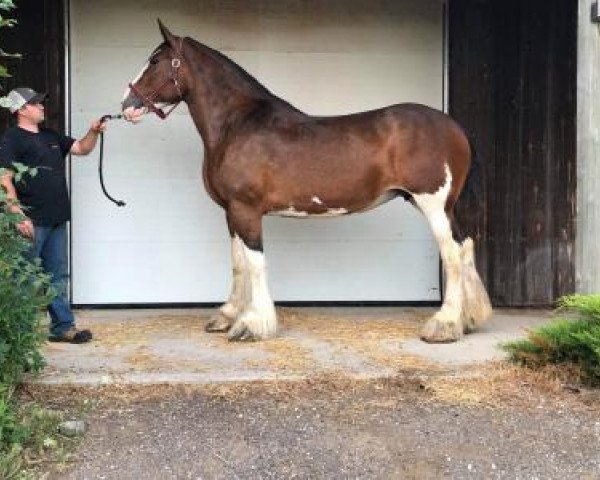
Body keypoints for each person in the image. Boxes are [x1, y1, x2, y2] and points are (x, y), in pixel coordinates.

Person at [0, 87, 107, 343]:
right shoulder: (12, 139)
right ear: (21, 109)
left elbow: (82, 148)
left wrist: (94, 131)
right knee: (25, 278)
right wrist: (17, 215)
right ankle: (20, 335)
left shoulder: (50, 136)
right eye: (36, 104)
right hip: (31, 222)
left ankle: (62, 327)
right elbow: (5, 179)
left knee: (57, 276)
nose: (42, 107)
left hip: (57, 219)